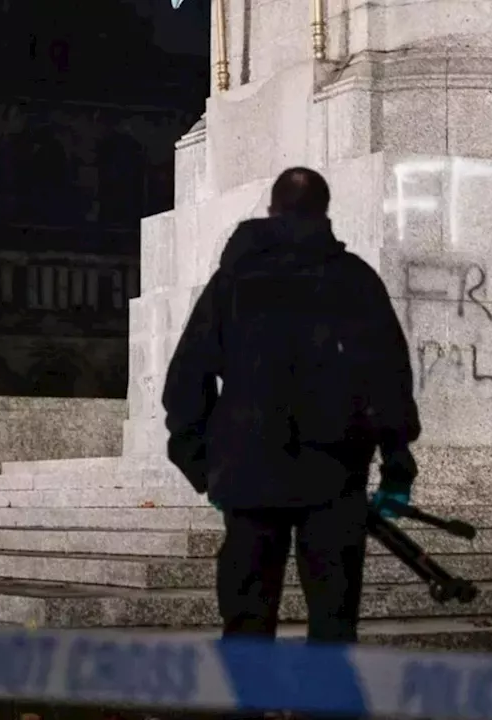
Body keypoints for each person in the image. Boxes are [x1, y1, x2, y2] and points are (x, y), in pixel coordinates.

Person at [161, 167, 421, 645]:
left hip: (248, 474)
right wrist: (397, 463)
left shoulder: (232, 284)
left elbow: (186, 380)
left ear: (271, 211)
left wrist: (203, 464)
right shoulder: (354, 281)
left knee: (246, 623)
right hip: (335, 476)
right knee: (333, 624)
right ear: (324, 213)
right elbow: (388, 378)